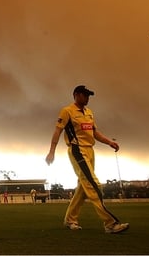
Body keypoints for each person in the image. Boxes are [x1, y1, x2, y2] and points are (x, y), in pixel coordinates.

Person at [45, 85, 130, 234]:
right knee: (94, 184)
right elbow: (58, 130)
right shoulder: (67, 111)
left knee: (84, 188)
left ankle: (70, 219)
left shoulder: (89, 112)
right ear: (76, 95)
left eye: (88, 95)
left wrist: (109, 142)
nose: (87, 98)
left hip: (90, 151)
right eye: (85, 95)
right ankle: (110, 223)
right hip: (77, 151)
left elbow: (94, 132)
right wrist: (51, 151)